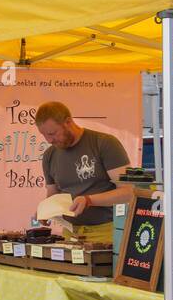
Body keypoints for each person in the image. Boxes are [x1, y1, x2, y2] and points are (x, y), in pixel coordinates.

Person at [36, 102, 133, 245]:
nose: (49, 140)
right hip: (70, 234)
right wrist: (45, 210)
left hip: (107, 232)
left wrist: (89, 200)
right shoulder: (49, 155)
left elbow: (128, 192)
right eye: (44, 135)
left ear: (68, 122)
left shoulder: (104, 143)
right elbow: (53, 194)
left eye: (52, 133)